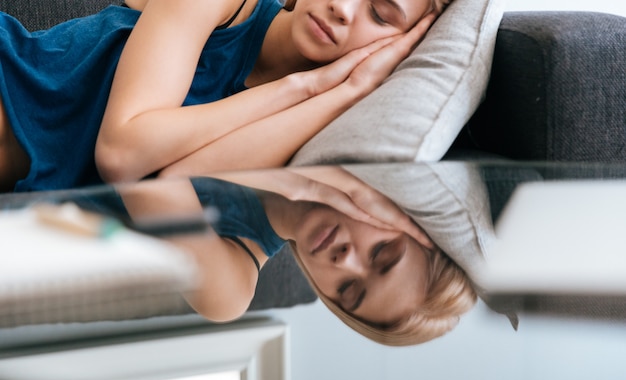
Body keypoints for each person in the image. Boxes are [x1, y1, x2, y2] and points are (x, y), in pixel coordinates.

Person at [0, 0, 449, 193]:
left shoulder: (305, 126)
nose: (343, 8)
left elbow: (170, 185)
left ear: (397, 51)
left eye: (380, 14)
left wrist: (347, 92)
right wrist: (304, 86)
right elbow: (121, 152)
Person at [113, 167, 476, 346]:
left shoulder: (229, 289)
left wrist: (300, 182)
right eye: (381, 252)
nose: (345, 262)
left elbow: (139, 168)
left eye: (348, 290)